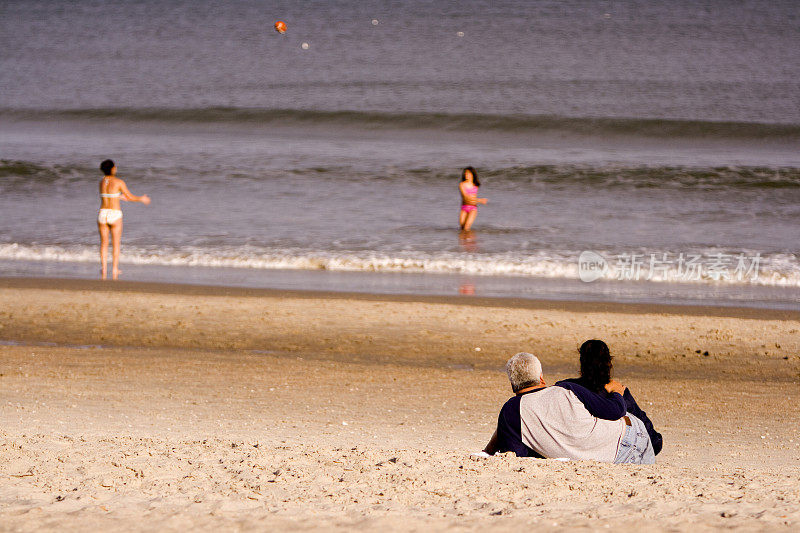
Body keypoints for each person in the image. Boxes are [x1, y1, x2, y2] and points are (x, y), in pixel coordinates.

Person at [483, 352, 655, 464]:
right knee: (626, 408)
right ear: (541, 378)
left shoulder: (511, 410)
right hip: (630, 437)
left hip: (610, 456)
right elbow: (615, 411)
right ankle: (656, 441)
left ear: (513, 384)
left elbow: (517, 454)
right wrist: (616, 392)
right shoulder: (566, 388)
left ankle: (656, 442)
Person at [556, 340, 663, 455]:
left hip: (573, 446)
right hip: (612, 449)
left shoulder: (567, 387)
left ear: (582, 363)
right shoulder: (617, 393)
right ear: (609, 364)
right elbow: (654, 442)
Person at [97, 159, 151, 280]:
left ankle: (104, 268)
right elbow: (130, 197)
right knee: (116, 244)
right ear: (112, 168)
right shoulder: (119, 182)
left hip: (102, 213)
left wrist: (119, 197)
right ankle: (115, 269)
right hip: (115, 214)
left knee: (104, 244)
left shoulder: (101, 182)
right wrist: (141, 198)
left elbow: (108, 195)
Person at [458, 167, 487, 231]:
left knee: (466, 227)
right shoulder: (462, 185)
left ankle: (469, 240)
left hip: (473, 208)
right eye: (465, 174)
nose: (466, 175)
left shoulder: (475, 185)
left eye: (468, 173)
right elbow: (466, 198)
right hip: (464, 207)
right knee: (462, 228)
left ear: (472, 174)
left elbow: (472, 199)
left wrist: (476, 200)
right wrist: (480, 200)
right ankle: (465, 240)